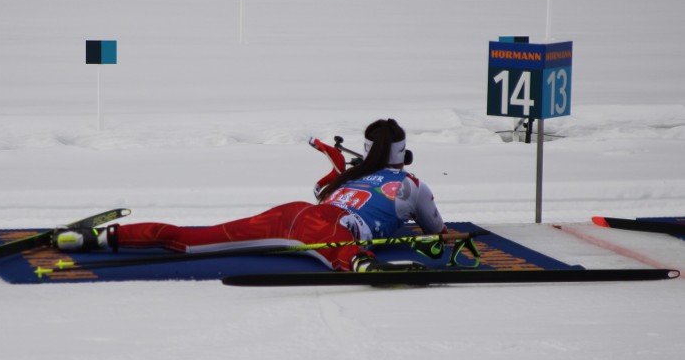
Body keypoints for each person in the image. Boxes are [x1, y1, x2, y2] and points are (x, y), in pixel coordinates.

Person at [54, 118, 446, 272]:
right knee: (344, 254)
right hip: (329, 226)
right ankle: (366, 266)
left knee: (190, 241)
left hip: (292, 213)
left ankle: (97, 237)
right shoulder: (412, 186)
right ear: (404, 153)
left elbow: (321, 191)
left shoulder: (348, 175)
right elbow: (435, 230)